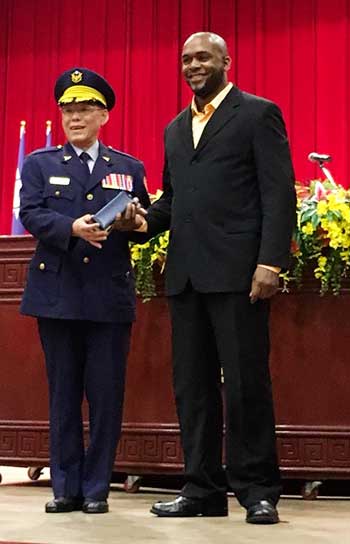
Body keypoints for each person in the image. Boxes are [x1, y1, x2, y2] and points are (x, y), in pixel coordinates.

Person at [118, 32, 296, 523]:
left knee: (246, 384)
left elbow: (279, 194)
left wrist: (271, 262)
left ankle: (258, 489)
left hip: (241, 275)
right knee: (191, 389)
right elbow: (172, 202)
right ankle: (201, 489)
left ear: (225, 62)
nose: (193, 65)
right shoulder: (175, 128)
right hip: (187, 278)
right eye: (186, 59)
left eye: (203, 57)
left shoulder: (259, 114)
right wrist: (140, 223)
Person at [19, 67, 150, 514]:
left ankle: (96, 489)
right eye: (68, 110)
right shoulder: (40, 163)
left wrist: (134, 223)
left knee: (107, 396)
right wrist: (71, 228)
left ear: (104, 115)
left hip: (108, 296)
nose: (75, 118)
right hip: (58, 292)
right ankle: (66, 487)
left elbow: (144, 223)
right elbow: (31, 213)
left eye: (85, 110)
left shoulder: (129, 167)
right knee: (63, 395)